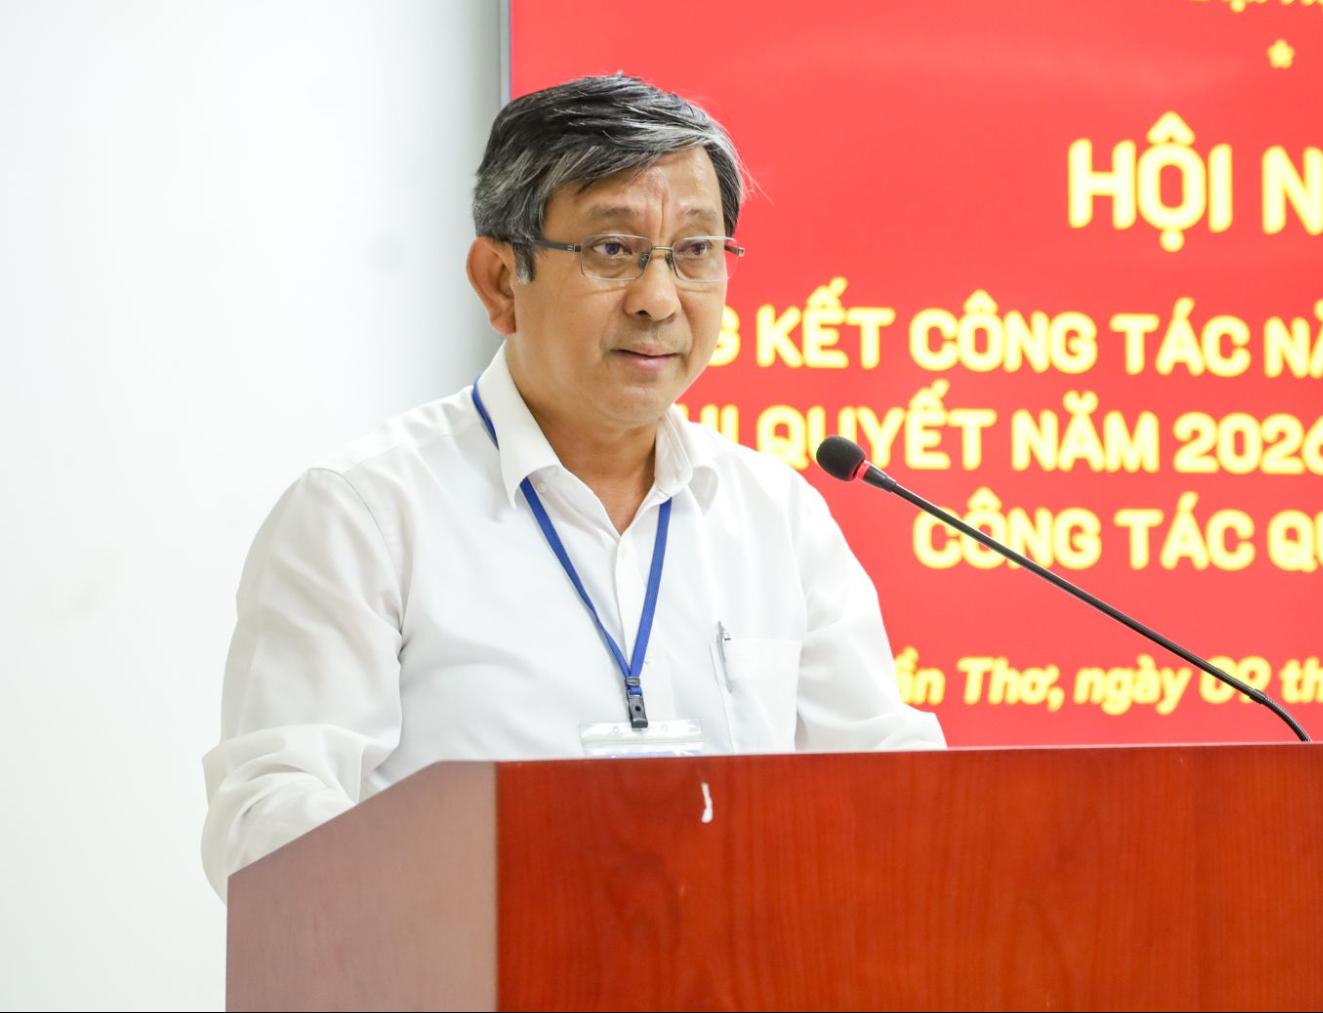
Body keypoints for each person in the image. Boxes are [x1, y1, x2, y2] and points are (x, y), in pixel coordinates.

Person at [201, 75, 942, 898]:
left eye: (695, 250)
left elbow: (893, 789)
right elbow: (267, 821)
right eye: (612, 249)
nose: (658, 299)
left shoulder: (777, 515)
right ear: (498, 279)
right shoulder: (364, 514)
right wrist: (491, 893)